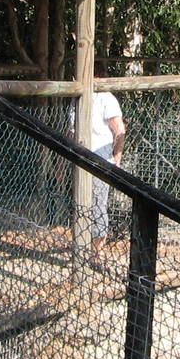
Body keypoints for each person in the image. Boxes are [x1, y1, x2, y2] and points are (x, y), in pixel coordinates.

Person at [74, 90, 126, 265]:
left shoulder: (106, 98)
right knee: (81, 206)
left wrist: (116, 159)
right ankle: (83, 249)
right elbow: (69, 132)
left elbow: (120, 130)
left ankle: (97, 252)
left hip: (101, 161)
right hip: (79, 160)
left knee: (97, 205)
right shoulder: (76, 98)